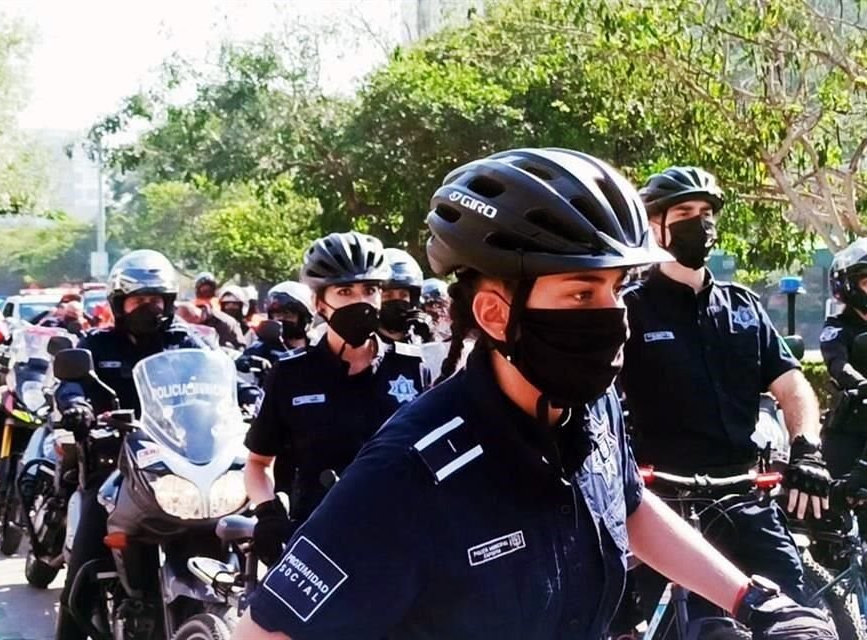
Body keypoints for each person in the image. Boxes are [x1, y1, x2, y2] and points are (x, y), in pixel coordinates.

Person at [233, 148, 835, 640]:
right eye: (581, 294)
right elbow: (264, 634)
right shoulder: (409, 471)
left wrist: (750, 599)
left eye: (617, 290)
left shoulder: (589, 405)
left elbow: (627, 504)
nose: (613, 318)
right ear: (496, 314)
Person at [618, 166, 827, 620]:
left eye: (707, 212)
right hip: (660, 507)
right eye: (685, 212)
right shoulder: (628, 310)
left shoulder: (744, 307)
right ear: (654, 225)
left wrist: (807, 449)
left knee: (801, 620)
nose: (701, 222)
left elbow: (793, 388)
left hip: (745, 497)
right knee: (649, 626)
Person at [243, 231, 431, 568]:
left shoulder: (413, 367)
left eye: (370, 290)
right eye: (345, 291)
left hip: (402, 545)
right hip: (315, 545)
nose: (360, 301)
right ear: (319, 303)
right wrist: (268, 514)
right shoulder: (290, 375)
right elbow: (258, 464)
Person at [54, 250, 204, 640]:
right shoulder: (98, 345)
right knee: (84, 566)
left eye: (156, 300)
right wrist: (77, 406)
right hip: (112, 469)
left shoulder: (184, 343)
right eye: (139, 300)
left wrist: (241, 397)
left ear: (169, 303)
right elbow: (70, 384)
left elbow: (217, 379)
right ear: (120, 305)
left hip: (175, 466)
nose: (148, 308)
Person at [821, 238, 867, 485]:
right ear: (849, 286)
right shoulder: (837, 327)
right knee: (834, 491)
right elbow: (837, 362)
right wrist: (860, 382)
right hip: (851, 424)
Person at [243, 281, 314, 364]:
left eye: (288, 314)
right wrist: (248, 362)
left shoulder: (316, 345)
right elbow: (245, 359)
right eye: (277, 314)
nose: (281, 319)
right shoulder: (264, 345)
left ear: (304, 317)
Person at [378, 248, 433, 344]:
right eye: (387, 295)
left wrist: (430, 339)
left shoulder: (417, 338)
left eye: (403, 295)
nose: (397, 301)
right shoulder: (365, 342)